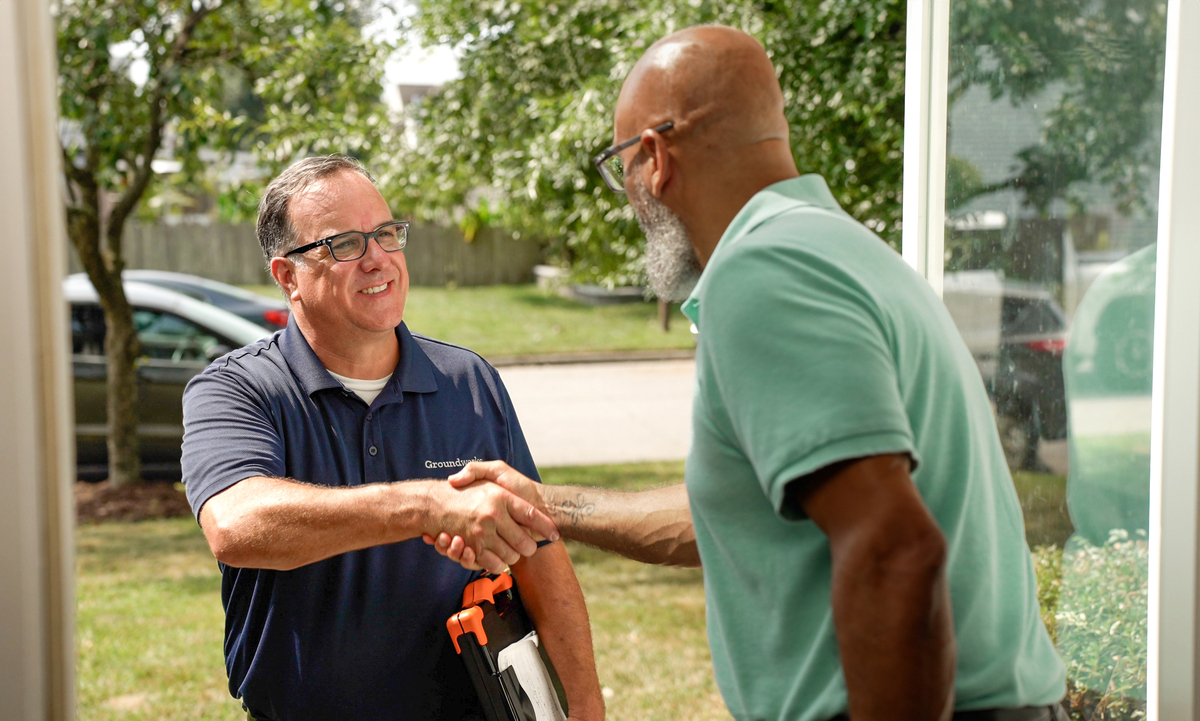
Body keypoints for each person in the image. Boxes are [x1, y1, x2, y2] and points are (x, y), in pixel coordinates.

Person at [427, 25, 1068, 721]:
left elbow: (893, 548)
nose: (630, 196)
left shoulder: (764, 274)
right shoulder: (838, 249)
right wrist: (547, 507)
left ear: (655, 156)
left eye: (623, 168)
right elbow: (748, 510)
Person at [180, 156, 604, 721]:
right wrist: (426, 505)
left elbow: (539, 553)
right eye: (345, 244)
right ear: (287, 277)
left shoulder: (467, 381)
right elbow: (237, 527)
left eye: (385, 233)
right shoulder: (237, 389)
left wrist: (587, 706)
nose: (378, 257)